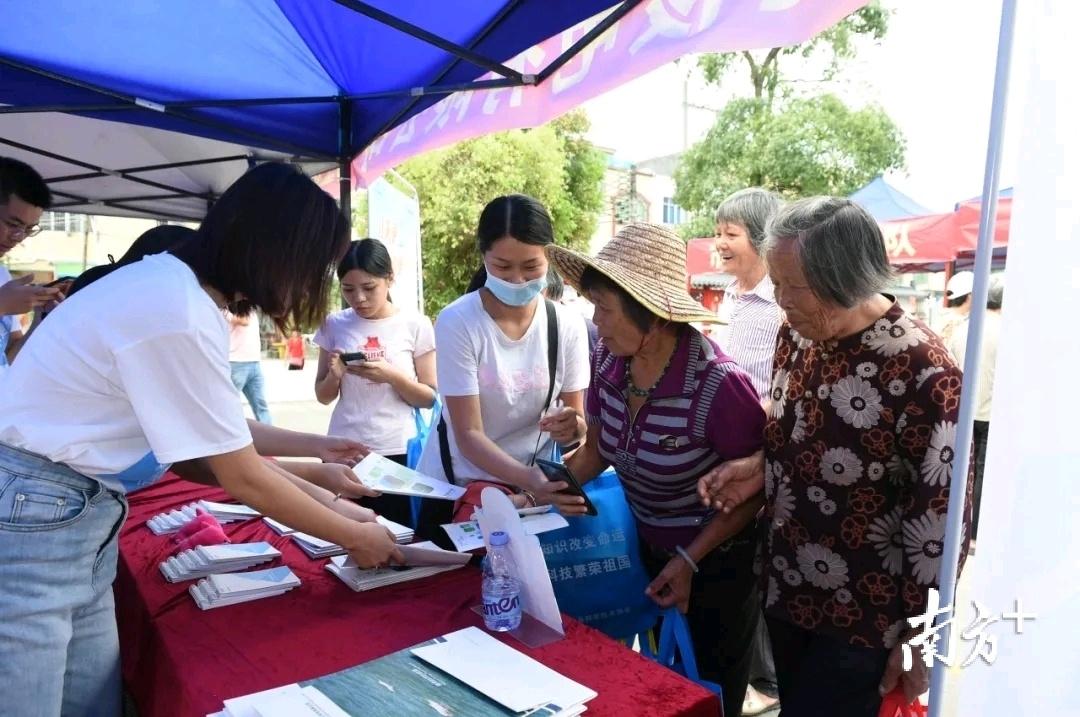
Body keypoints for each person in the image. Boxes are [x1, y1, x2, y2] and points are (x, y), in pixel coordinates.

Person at [0, 162, 405, 717]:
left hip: (74, 512)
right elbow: (234, 470)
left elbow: (209, 447)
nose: (304, 286)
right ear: (277, 252)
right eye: (312, 267)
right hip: (38, 513)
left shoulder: (177, 290)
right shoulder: (176, 307)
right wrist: (352, 535)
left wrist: (318, 471)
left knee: (90, 695)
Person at [699, 197, 973, 716]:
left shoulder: (923, 369)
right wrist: (757, 466)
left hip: (863, 621)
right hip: (786, 590)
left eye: (791, 287)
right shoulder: (797, 335)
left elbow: (942, 518)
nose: (781, 301)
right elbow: (791, 431)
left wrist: (920, 639)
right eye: (775, 284)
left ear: (845, 278)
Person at [548, 223, 767, 717]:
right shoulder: (609, 360)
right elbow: (599, 448)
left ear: (651, 316)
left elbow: (753, 492)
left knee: (708, 689)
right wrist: (541, 490)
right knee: (658, 686)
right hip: (650, 550)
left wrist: (689, 560)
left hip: (718, 562)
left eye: (604, 308)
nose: (595, 320)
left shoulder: (718, 385)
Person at [415, 194, 591, 533]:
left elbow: (577, 422)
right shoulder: (458, 321)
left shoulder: (567, 325)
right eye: (502, 267)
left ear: (549, 258)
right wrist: (531, 481)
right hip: (460, 488)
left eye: (531, 267)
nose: (517, 280)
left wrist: (573, 427)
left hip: (528, 493)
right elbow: (468, 435)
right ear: (483, 257)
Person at [711, 187, 784, 715]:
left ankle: (768, 681)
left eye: (730, 234)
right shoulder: (731, 300)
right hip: (727, 454)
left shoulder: (784, 305)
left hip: (764, 457)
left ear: (760, 238)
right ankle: (758, 678)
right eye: (719, 234)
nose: (720, 245)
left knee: (762, 569)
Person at [314, 238, 437, 526]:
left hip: (397, 448)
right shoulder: (334, 324)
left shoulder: (415, 324)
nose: (359, 298)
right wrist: (335, 374)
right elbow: (322, 395)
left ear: (389, 279)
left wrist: (391, 376)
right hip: (343, 448)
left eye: (369, 288)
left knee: (398, 534)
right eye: (348, 289)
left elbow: (430, 396)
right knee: (343, 532)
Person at [946, 273, 1003, 543]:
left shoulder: (964, 328)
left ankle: (960, 524)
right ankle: (976, 530)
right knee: (983, 470)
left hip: (964, 410)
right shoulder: (1006, 330)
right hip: (991, 412)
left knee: (965, 469)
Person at [0, 158, 64, 369]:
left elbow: (8, 362)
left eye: (29, 229)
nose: (18, 237)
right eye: (12, 224)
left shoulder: (1, 275)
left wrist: (41, 319)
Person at [228, 309, 272, 424]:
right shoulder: (226, 311)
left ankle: (268, 435)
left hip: (254, 363)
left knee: (261, 405)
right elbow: (244, 321)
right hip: (236, 364)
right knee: (229, 405)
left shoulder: (252, 310)